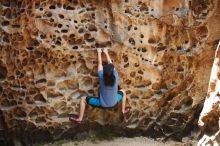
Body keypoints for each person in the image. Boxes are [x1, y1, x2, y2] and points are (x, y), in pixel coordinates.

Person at [69, 48, 130, 123]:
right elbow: (111, 64)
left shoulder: (101, 76)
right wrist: (106, 53)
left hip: (102, 104)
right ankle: (123, 110)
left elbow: (100, 65)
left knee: (83, 99)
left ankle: (80, 119)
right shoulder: (116, 76)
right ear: (113, 72)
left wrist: (99, 53)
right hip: (114, 102)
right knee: (123, 91)